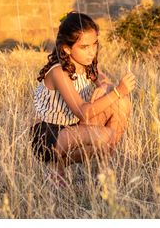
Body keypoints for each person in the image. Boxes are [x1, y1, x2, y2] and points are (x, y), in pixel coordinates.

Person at [31, 11, 135, 184]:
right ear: (66, 48)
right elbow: (83, 113)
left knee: (121, 104)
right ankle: (56, 166)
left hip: (74, 129)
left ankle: (102, 175)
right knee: (106, 134)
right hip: (49, 135)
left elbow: (101, 78)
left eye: (94, 44)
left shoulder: (87, 64)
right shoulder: (59, 72)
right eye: (84, 47)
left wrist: (104, 85)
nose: (91, 52)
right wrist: (118, 91)